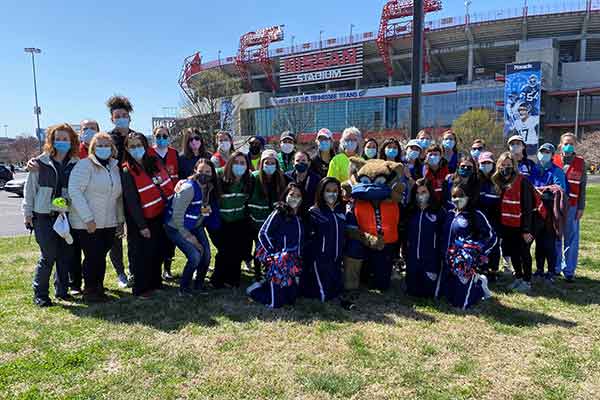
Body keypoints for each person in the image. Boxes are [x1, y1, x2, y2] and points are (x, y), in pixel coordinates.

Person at [23, 124, 80, 307]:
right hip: (43, 217)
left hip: (64, 217)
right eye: (58, 138)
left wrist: (67, 204)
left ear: (71, 141)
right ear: (51, 140)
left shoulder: (76, 164)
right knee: (48, 255)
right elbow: (30, 190)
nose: (62, 142)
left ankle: (62, 291)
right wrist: (27, 213)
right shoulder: (40, 163)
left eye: (65, 139)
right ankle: (40, 294)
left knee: (65, 255)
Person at [68, 132, 123, 302]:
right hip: (88, 223)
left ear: (112, 148)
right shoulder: (84, 165)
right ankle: (91, 291)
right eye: (99, 145)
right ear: (92, 147)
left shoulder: (115, 166)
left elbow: (118, 196)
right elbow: (74, 192)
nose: (103, 148)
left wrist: (120, 221)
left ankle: (98, 287)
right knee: (93, 257)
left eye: (107, 145)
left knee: (100, 256)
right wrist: (88, 218)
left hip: (108, 222)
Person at [121, 132, 175, 298]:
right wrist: (142, 226)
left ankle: (155, 282)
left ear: (145, 146)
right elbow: (131, 201)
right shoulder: (126, 170)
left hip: (159, 214)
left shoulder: (154, 162)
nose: (136, 149)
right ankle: (141, 288)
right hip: (140, 219)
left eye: (139, 145)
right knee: (141, 254)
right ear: (127, 149)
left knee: (156, 250)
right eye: (132, 146)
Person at [165, 158, 220, 296]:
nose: (204, 174)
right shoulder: (188, 188)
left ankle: (199, 285)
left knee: (206, 254)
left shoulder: (210, 187)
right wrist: (190, 238)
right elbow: (177, 216)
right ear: (195, 171)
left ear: (213, 173)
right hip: (176, 227)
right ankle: (184, 288)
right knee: (195, 255)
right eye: (201, 171)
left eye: (208, 171)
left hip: (195, 225)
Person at [246, 183, 304, 308]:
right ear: (285, 196)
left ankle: (266, 285)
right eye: (292, 194)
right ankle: (255, 290)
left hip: (292, 260)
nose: (295, 198)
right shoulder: (279, 212)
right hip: (277, 258)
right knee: (276, 303)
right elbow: (263, 233)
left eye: (298, 195)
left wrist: (298, 258)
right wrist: (274, 254)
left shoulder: (299, 217)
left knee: (291, 300)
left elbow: (299, 241)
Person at [439, 184, 496, 309]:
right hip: (446, 263)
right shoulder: (448, 214)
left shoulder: (476, 214)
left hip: (463, 265)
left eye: (461, 196)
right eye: (454, 196)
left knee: (461, 304)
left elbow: (491, 236)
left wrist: (477, 252)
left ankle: (479, 285)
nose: (457, 199)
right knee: (443, 296)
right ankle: (477, 281)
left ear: (468, 197)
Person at [492, 152, 537, 293]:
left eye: (509, 165)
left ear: (514, 166)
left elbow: (528, 207)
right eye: (503, 165)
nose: (506, 168)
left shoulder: (522, 181)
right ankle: (518, 277)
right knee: (513, 252)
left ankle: (527, 281)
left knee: (524, 251)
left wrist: (526, 230)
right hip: (509, 223)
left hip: (526, 222)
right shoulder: (499, 182)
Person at [211, 151, 252, 288]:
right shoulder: (218, 175)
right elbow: (201, 173)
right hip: (221, 220)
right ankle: (217, 280)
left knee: (237, 250)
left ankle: (233, 279)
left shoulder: (248, 179)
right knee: (224, 250)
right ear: (229, 163)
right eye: (236, 162)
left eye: (242, 163)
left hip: (238, 220)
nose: (239, 166)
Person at [300, 177, 345, 303]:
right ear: (321, 192)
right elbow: (307, 238)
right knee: (324, 295)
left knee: (337, 290)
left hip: (336, 259)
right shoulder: (314, 212)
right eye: (328, 190)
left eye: (335, 190)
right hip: (320, 260)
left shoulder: (341, 211)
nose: (332, 194)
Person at [106, 95, 134, 288]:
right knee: (116, 236)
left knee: (135, 234)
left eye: (124, 115)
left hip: (134, 194)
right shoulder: (107, 139)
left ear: (130, 117)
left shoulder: (136, 137)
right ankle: (120, 273)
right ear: (112, 118)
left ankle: (134, 270)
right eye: (118, 115)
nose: (121, 118)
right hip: (113, 195)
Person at [248, 149, 287, 280]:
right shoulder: (254, 177)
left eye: (272, 163)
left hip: (274, 221)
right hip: (256, 220)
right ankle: (258, 273)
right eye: (266, 162)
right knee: (259, 247)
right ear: (261, 163)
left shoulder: (282, 179)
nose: (269, 165)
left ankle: (271, 270)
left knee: (272, 246)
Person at [553, 132, 586, 282]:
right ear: (560, 145)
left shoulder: (580, 162)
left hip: (572, 206)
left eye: (571, 143)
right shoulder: (554, 160)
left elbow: (583, 187)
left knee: (571, 239)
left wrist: (581, 207)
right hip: (556, 206)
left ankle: (569, 270)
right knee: (556, 237)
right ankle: (556, 267)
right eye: (566, 143)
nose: (568, 146)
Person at [531, 143, 567, 282]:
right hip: (537, 211)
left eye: (547, 152)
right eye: (542, 151)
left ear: (552, 155)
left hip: (551, 212)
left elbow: (559, 189)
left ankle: (551, 271)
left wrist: (540, 189)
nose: (544, 154)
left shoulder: (557, 171)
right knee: (539, 243)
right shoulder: (535, 169)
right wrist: (545, 189)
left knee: (549, 243)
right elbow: (530, 186)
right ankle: (539, 269)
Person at [404, 178, 445, 298]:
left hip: (431, 259)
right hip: (412, 258)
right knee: (412, 291)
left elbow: (443, 236)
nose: (420, 196)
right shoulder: (410, 210)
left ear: (430, 193)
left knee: (428, 293)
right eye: (417, 193)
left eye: (423, 192)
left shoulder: (439, 211)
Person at [149, 126, 180, 280]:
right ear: (154, 136)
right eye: (158, 135)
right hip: (154, 200)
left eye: (164, 135)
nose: (161, 138)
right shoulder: (149, 153)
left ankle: (167, 268)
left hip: (172, 199)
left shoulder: (174, 153)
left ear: (169, 137)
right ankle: (155, 267)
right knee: (157, 234)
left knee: (170, 235)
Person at [477, 152, 502, 281]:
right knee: (481, 243)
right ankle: (482, 267)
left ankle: (493, 270)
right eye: (483, 163)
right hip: (480, 218)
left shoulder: (498, 180)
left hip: (495, 218)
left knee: (494, 244)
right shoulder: (476, 180)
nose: (485, 165)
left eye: (488, 163)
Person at [285, 150, 320, 217]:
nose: (300, 163)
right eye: (297, 161)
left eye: (303, 160)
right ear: (293, 163)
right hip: (290, 214)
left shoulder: (316, 179)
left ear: (309, 163)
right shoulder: (286, 177)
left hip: (309, 215)